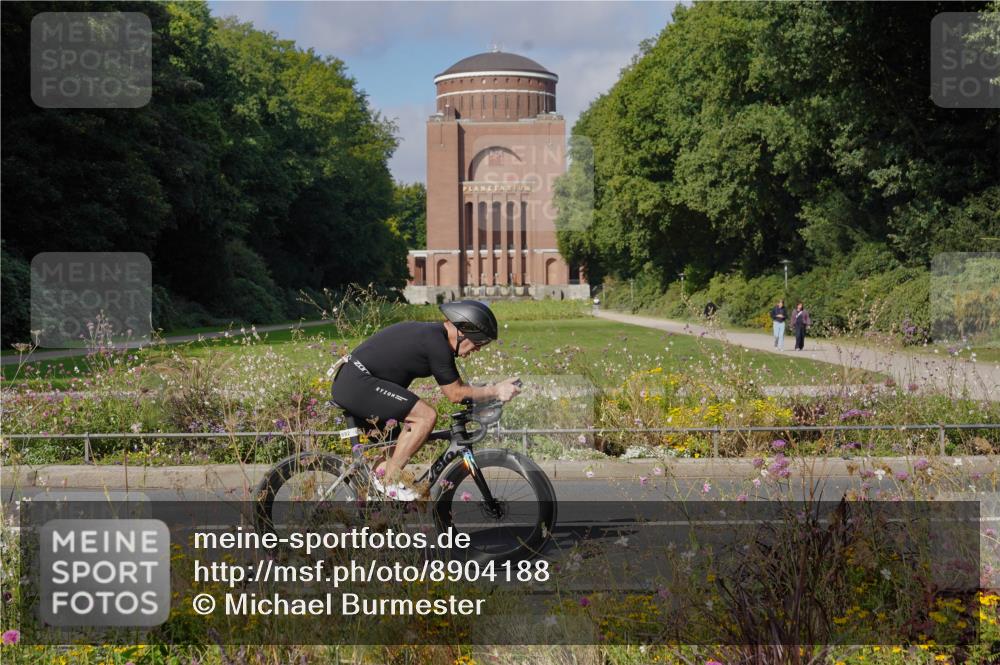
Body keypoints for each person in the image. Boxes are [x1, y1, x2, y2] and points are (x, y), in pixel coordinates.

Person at [330, 300, 521, 500]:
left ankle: (375, 505)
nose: (478, 349)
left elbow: (463, 389)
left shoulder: (435, 337)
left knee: (396, 449)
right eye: (479, 343)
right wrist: (496, 390)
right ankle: (389, 482)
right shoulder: (436, 343)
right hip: (356, 383)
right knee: (425, 416)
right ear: (463, 332)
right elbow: (456, 393)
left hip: (356, 382)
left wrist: (492, 391)